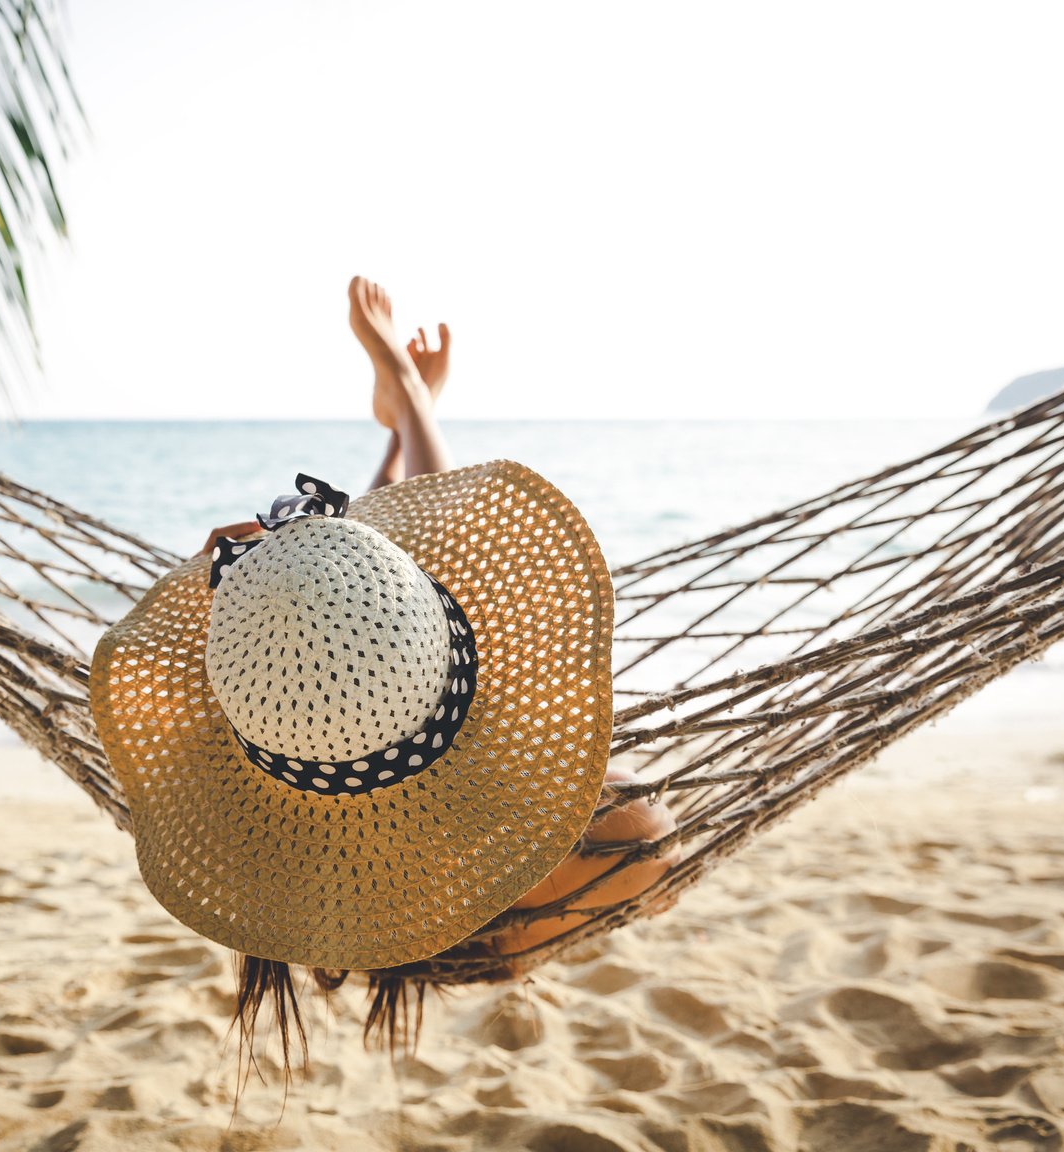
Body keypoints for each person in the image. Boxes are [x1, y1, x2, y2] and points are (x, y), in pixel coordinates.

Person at [92, 278, 679, 1073]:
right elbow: (402, 586)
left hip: (347, 870)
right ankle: (406, 406)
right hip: (498, 899)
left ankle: (404, 418)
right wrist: (407, 403)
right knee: (640, 822)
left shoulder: (274, 841)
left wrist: (397, 439)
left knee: (349, 602)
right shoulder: (590, 830)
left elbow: (351, 621)